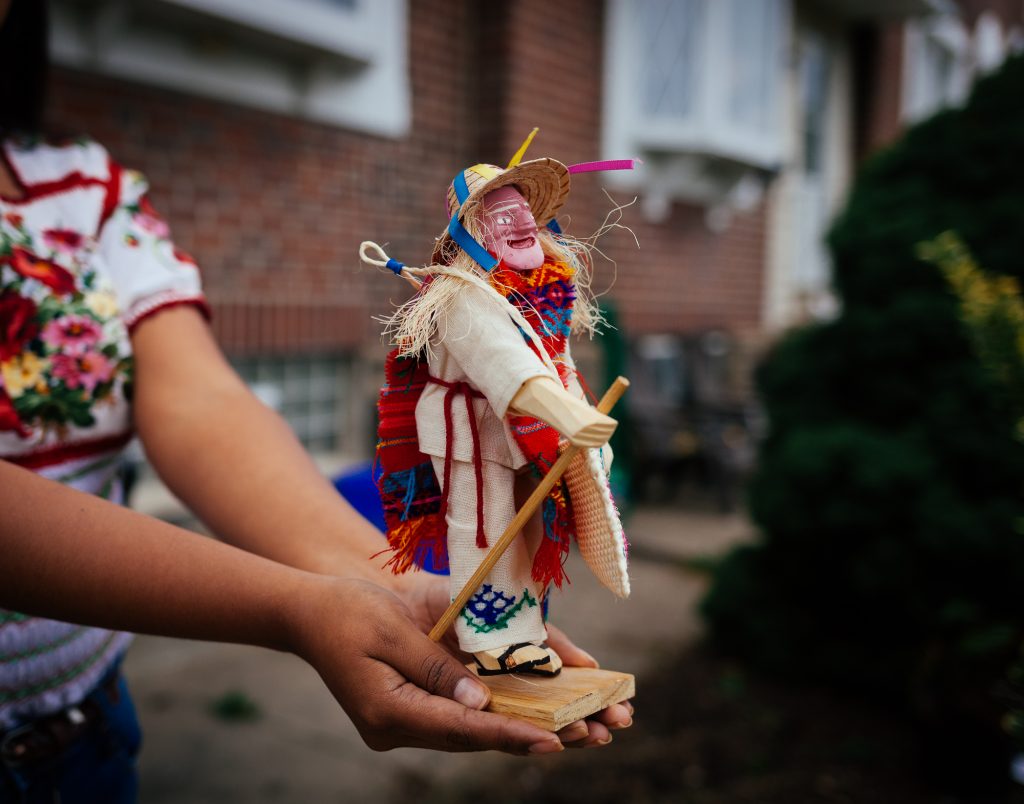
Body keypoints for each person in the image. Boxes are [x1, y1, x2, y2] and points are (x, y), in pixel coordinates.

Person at [0, 1, 632, 800]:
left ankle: (504, 634)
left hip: (85, 732)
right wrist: (296, 606)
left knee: (509, 554)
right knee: (482, 536)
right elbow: (505, 362)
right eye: (499, 213)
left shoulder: (83, 191)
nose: (517, 225)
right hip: (478, 447)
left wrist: (373, 586)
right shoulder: (471, 303)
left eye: (523, 213)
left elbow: (198, 404)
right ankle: (498, 630)